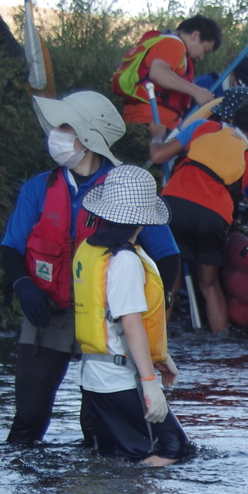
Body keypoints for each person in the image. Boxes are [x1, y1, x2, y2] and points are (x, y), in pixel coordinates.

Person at [0, 91, 181, 445]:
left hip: (107, 323)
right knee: (28, 420)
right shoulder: (38, 189)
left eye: (66, 127)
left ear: (90, 137)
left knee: (97, 427)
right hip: (47, 314)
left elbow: (169, 258)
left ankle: (96, 492)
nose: (56, 134)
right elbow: (11, 247)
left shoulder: (123, 191)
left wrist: (159, 319)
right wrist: (24, 285)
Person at [72, 166, 188, 465]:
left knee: (119, 456)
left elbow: (108, 319)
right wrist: (150, 382)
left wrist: (160, 356)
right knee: (173, 450)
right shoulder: (125, 260)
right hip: (120, 378)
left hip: (95, 376)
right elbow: (130, 323)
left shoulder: (90, 250)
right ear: (143, 219)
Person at [150, 89, 248, 334]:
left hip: (173, 208)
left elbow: (158, 154)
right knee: (209, 284)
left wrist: (156, 136)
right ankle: (221, 345)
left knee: (168, 282)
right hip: (212, 218)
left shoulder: (201, 127)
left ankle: (154, 346)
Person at [112, 16, 222, 132]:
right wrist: (196, 91)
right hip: (150, 123)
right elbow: (158, 73)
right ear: (195, 35)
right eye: (205, 50)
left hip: (149, 121)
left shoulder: (166, 42)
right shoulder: (174, 44)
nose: (201, 57)